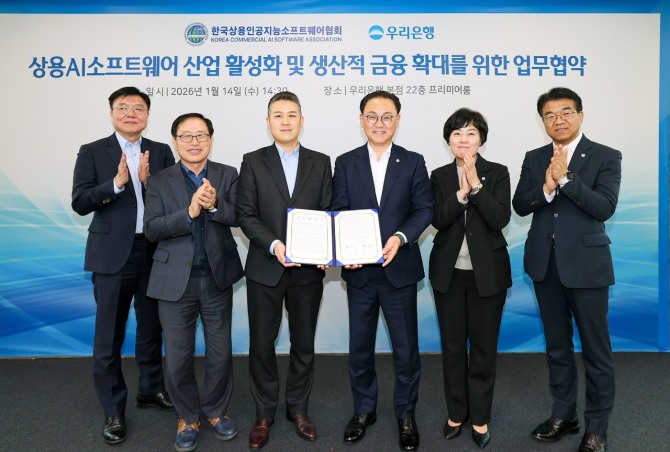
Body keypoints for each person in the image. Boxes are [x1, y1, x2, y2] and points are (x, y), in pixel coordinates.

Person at [512, 87, 621, 452]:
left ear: (580, 115)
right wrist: (545, 187)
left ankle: (597, 428)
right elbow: (520, 205)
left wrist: (567, 179)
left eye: (565, 112)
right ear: (542, 121)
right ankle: (564, 415)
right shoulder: (534, 157)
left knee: (596, 352)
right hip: (545, 267)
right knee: (557, 347)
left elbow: (604, 207)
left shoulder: (606, 155)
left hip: (587, 269)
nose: (558, 120)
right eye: (549, 115)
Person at [71, 86, 175, 445]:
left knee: (152, 328)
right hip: (112, 255)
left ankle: (151, 389)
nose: (131, 113)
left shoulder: (161, 151)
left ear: (148, 115)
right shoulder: (92, 151)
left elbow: (173, 199)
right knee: (109, 335)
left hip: (154, 250)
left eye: (139, 108)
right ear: (112, 113)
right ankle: (113, 409)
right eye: (123, 107)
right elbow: (80, 201)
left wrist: (148, 183)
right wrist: (116, 184)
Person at [331, 90, 433, 451]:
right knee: (360, 348)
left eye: (387, 116)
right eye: (372, 116)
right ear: (361, 120)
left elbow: (424, 208)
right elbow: (338, 210)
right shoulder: (346, 162)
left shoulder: (414, 161)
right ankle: (364, 410)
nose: (379, 123)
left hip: (398, 269)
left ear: (398, 120)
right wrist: (344, 249)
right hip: (359, 273)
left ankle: (406, 413)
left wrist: (400, 238)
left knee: (406, 350)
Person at [236, 91, 332, 450]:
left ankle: (298, 409)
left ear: (302, 120)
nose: (286, 121)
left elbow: (329, 210)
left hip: (307, 272)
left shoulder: (320, 162)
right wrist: (275, 244)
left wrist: (328, 247)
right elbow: (246, 214)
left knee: (303, 343)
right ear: (268, 122)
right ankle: (264, 413)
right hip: (265, 268)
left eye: (292, 114)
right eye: (278, 115)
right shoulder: (252, 161)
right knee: (262, 344)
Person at [143, 113, 244, 452]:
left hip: (216, 279)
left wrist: (215, 205)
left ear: (211, 139)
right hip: (174, 283)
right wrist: (188, 213)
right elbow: (152, 229)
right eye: (186, 136)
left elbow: (241, 216)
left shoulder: (227, 174)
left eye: (201, 135)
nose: (194, 142)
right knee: (178, 358)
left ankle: (216, 411)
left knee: (220, 353)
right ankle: (187, 417)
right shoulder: (159, 180)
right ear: (175, 141)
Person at [429, 108, 511, 448]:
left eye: (471, 133)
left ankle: (479, 417)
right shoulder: (439, 175)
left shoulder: (498, 172)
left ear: (481, 139)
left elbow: (500, 219)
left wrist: (476, 186)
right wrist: (460, 195)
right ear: (449, 140)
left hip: (487, 276)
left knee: (483, 349)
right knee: (452, 349)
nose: (463, 139)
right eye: (457, 133)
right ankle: (456, 414)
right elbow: (437, 219)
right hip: (448, 275)